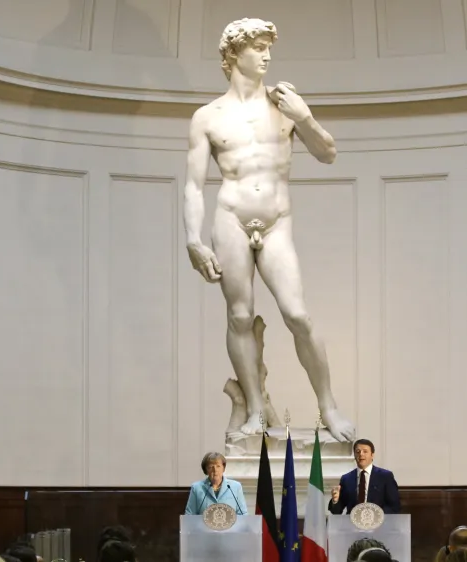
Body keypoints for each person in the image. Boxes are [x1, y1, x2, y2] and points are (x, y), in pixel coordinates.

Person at [182, 17, 355, 442]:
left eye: (267, 47)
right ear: (232, 54)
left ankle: (328, 406)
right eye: (257, 46)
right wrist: (193, 239)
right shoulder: (207, 117)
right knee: (239, 316)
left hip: (276, 222)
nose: (267, 54)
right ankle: (256, 409)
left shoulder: (285, 105)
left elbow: (328, 153)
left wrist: (306, 117)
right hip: (230, 218)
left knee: (298, 314)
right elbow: (192, 185)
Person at [329, 439, 401, 514]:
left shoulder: (385, 476)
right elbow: (336, 511)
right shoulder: (346, 479)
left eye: (365, 451)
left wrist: (376, 515)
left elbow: (395, 506)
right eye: (358, 451)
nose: (361, 454)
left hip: (379, 523)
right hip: (352, 523)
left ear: (372, 455)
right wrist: (335, 501)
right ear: (354, 455)